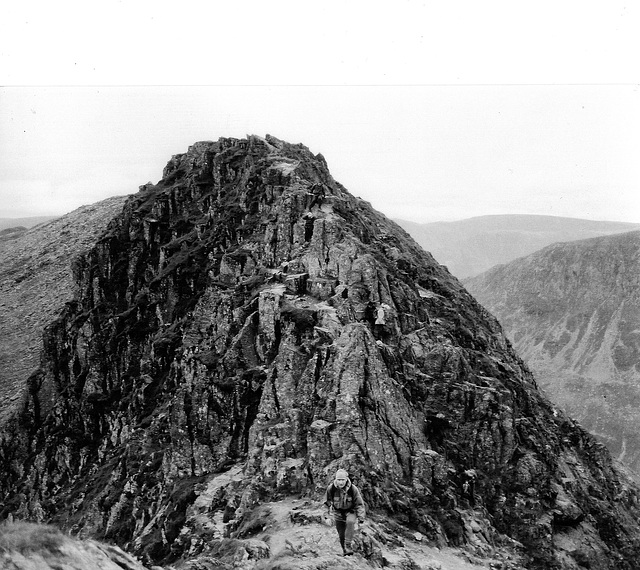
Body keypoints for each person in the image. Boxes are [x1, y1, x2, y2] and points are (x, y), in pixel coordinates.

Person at [323, 468, 366, 556]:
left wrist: (361, 519)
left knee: (350, 522)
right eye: (339, 480)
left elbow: (359, 504)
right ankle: (345, 552)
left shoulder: (353, 489)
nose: (341, 482)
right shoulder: (331, 489)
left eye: (343, 480)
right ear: (336, 479)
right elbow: (325, 504)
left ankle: (348, 545)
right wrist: (326, 517)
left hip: (351, 511)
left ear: (346, 479)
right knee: (341, 534)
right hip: (337, 513)